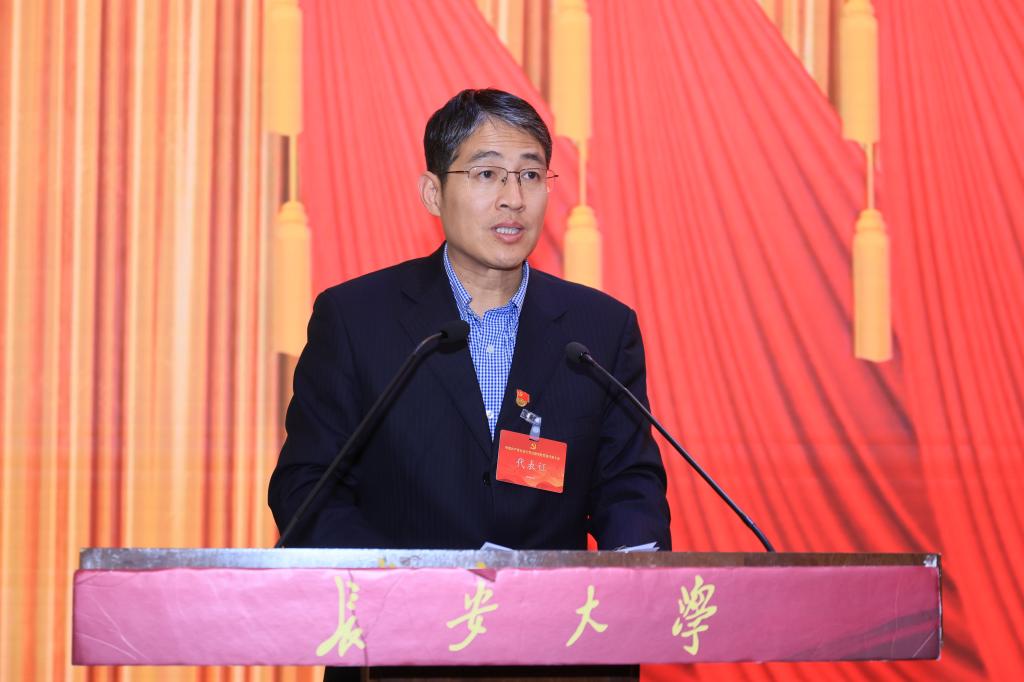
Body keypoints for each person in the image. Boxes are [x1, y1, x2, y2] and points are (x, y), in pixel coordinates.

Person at [269, 88, 671, 553]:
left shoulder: (600, 330)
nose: (513, 199)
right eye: (487, 174)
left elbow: (629, 488)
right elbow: (309, 486)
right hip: (399, 596)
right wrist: (394, 581)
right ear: (433, 193)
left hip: (547, 599)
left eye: (530, 175)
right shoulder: (356, 319)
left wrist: (635, 575)